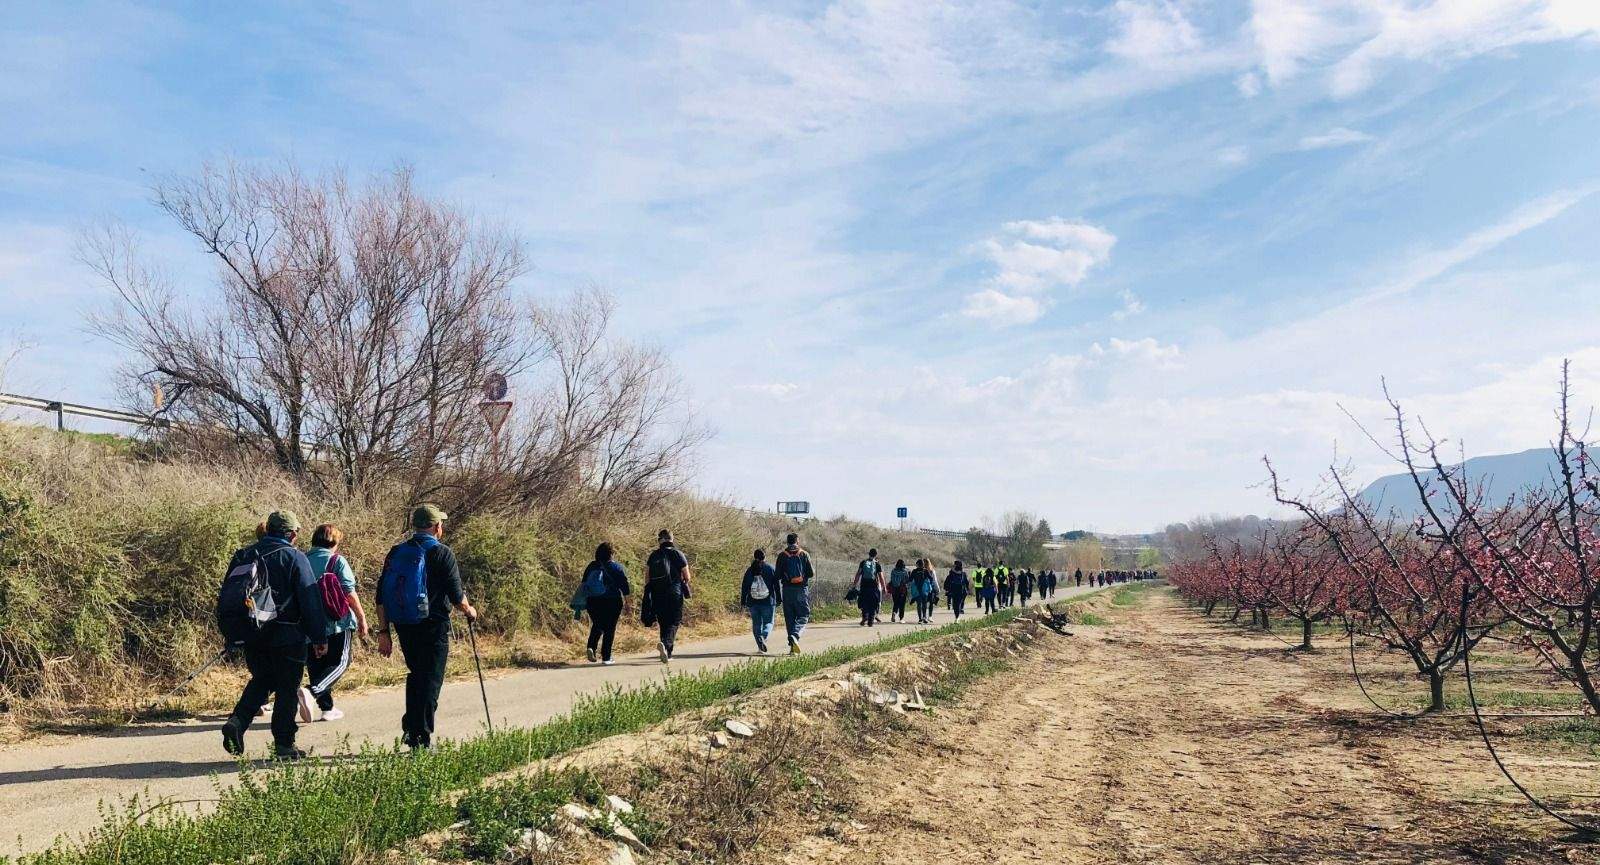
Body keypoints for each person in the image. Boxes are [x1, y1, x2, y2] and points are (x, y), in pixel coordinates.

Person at [219, 510, 329, 760]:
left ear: (268, 530)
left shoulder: (243, 555)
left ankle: (237, 721)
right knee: (287, 688)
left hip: (252, 632)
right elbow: (309, 598)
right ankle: (284, 745)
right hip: (288, 635)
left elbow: (230, 596)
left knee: (262, 680)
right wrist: (319, 637)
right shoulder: (294, 557)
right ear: (291, 534)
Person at [375, 503, 478, 752]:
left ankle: (412, 727)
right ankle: (421, 739)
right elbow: (456, 596)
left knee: (417, 675)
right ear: (436, 527)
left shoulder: (397, 551)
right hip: (433, 626)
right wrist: (469, 610)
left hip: (405, 624)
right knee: (430, 681)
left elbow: (380, 594)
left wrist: (383, 632)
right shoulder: (442, 553)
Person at [300, 523, 367, 723]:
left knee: (317, 665)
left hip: (309, 624)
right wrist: (362, 617)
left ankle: (327, 708)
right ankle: (312, 692)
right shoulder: (337, 560)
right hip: (338, 622)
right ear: (335, 542)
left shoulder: (301, 560)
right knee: (341, 662)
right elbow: (349, 592)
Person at [641, 529, 692, 663]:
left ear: (659, 540)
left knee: (663, 622)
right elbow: (687, 576)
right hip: (674, 592)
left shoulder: (653, 555)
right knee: (674, 621)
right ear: (671, 539)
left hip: (657, 593)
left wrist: (650, 592)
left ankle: (667, 653)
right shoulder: (678, 554)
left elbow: (647, 578)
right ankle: (665, 644)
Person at [580, 542, 630, 665]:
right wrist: (628, 603)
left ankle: (591, 647)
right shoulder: (616, 567)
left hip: (593, 601)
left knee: (598, 624)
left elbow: (584, 583)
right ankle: (606, 657)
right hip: (612, 600)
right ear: (611, 554)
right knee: (609, 628)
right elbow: (625, 587)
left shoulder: (591, 566)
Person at [774, 533, 815, 654]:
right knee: (803, 615)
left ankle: (792, 647)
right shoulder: (804, 554)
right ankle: (796, 635)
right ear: (797, 541)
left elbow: (777, 575)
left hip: (787, 590)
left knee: (790, 618)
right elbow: (811, 573)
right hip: (801, 590)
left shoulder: (782, 555)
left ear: (787, 542)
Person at [740, 549, 781, 653]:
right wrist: (779, 598)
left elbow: (744, 587)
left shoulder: (749, 570)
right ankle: (763, 636)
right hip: (768, 601)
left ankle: (760, 646)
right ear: (764, 557)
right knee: (769, 622)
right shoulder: (770, 569)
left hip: (753, 602)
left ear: (754, 557)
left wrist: (743, 601)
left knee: (757, 624)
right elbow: (776, 585)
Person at [853, 548, 887, 627]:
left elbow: (858, 574)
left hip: (864, 586)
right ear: (876, 555)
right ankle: (870, 621)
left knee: (864, 602)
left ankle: (865, 616)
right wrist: (884, 587)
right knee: (873, 603)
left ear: (869, 554)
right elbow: (881, 577)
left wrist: (854, 584)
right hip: (874, 586)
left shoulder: (863, 562)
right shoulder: (877, 564)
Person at [910, 558, 938, 624]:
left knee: (919, 604)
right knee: (924, 604)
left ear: (917, 564)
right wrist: (929, 585)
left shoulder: (914, 571)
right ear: (923, 565)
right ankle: (925, 617)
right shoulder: (925, 571)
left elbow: (910, 579)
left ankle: (920, 618)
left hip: (917, 590)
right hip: (924, 590)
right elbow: (931, 578)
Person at [887, 558, 911, 623]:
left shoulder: (893, 571)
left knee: (896, 603)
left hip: (894, 589)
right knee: (902, 604)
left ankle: (894, 613)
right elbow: (907, 580)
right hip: (902, 589)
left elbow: (891, 579)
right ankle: (901, 618)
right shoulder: (904, 572)